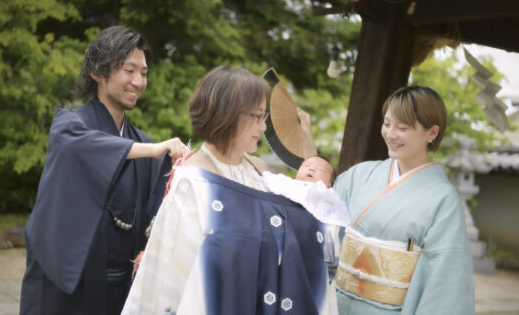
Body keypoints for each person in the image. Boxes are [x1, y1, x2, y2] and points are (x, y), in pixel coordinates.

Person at [122, 65, 337, 315]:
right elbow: (170, 269)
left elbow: (307, 202)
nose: (264, 127)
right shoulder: (193, 177)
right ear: (229, 114)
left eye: (264, 118)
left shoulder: (258, 170)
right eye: (257, 117)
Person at [20, 26, 188, 315]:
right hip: (72, 288)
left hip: (122, 288)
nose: (138, 81)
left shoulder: (145, 144)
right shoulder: (69, 126)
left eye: (144, 73)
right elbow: (85, 147)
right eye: (128, 70)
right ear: (98, 72)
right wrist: (154, 149)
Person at [333, 86, 475, 314]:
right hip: (335, 303)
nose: (390, 134)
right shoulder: (359, 175)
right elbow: (322, 223)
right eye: (387, 124)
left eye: (402, 127)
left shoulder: (442, 199)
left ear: (432, 132)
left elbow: (445, 280)